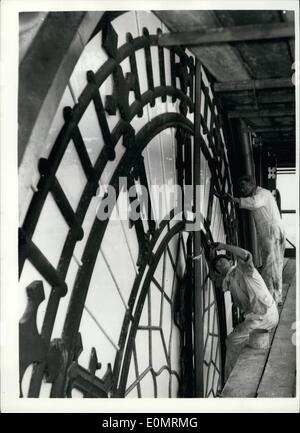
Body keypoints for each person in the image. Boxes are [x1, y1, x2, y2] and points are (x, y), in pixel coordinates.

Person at [210, 242, 279, 381]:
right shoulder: (231, 281)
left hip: (264, 316)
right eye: (218, 265)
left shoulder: (244, 270)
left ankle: (231, 381)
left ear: (230, 261)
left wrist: (223, 246)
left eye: (222, 262)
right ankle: (243, 374)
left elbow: (247, 255)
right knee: (239, 340)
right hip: (262, 317)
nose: (220, 265)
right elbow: (223, 283)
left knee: (232, 341)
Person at [226, 175, 286, 305]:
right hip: (271, 234)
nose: (242, 189)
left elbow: (255, 203)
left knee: (270, 266)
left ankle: (270, 299)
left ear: (252, 184)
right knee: (274, 266)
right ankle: (276, 297)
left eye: (243, 185)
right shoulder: (261, 194)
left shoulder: (262, 193)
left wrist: (234, 200)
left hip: (272, 233)